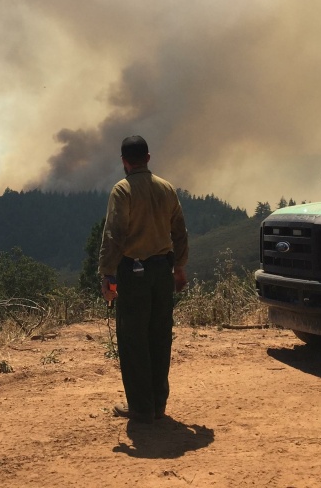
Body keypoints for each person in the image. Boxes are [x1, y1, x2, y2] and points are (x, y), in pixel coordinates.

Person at [98, 135, 189, 424]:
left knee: (133, 339)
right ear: (148, 158)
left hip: (133, 275)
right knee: (160, 336)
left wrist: (108, 277)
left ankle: (140, 407)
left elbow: (114, 234)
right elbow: (180, 231)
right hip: (163, 271)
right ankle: (158, 404)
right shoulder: (167, 189)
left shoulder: (122, 190)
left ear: (124, 161)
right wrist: (180, 268)